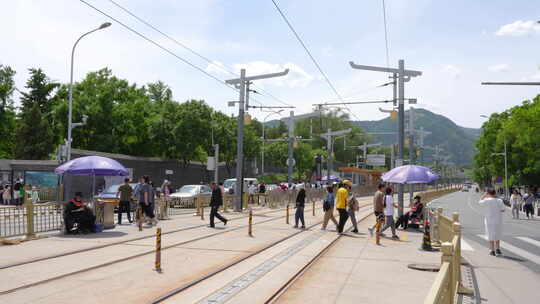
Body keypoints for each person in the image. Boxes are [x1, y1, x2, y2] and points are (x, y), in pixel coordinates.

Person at [478, 188, 505, 256]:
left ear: (488, 193)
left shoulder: (486, 200)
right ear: (495, 193)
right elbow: (503, 209)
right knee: (497, 234)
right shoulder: (499, 200)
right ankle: (498, 249)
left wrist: (484, 195)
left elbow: (479, 202)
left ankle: (492, 250)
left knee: (490, 235)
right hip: (498, 220)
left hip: (489, 220)